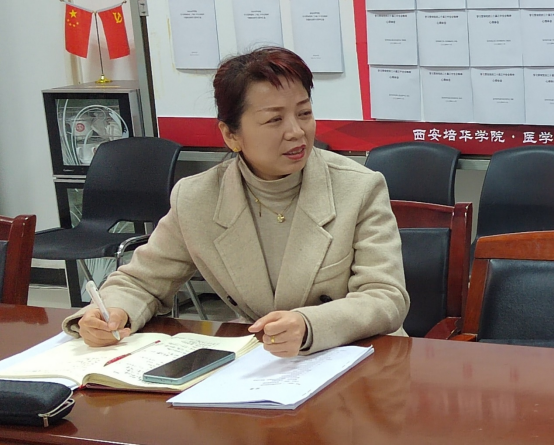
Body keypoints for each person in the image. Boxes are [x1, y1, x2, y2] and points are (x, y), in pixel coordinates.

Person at [62, 46, 410, 357]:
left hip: (357, 358)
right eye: (274, 119)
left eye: (304, 113)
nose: (296, 131)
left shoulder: (358, 187)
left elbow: (385, 296)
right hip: (260, 363)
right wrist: (111, 313)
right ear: (231, 135)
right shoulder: (197, 198)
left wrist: (309, 325)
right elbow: (141, 281)